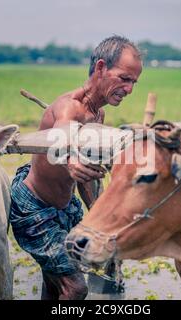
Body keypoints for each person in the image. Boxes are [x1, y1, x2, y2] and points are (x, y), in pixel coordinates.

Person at [9, 35, 143, 300]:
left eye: (134, 83)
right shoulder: (69, 107)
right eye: (124, 79)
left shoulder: (98, 115)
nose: (129, 89)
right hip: (34, 209)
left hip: (66, 208)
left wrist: (102, 215)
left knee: (56, 283)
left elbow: (86, 179)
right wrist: (71, 161)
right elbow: (62, 140)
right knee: (75, 287)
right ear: (101, 68)